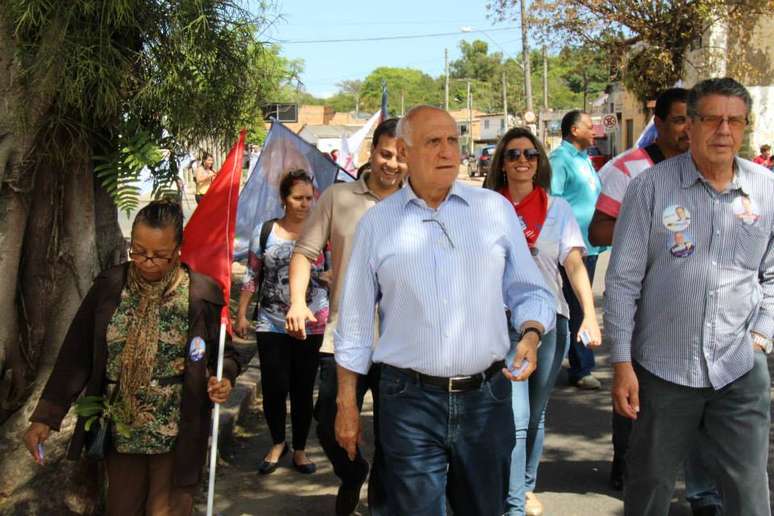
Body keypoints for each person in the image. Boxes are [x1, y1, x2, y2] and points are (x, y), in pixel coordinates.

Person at [334, 106, 556, 516]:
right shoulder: (377, 225)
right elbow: (354, 323)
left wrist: (529, 334)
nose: (447, 151)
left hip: (486, 399)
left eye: (453, 140)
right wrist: (346, 404)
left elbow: (528, 288)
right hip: (409, 402)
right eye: (433, 142)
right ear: (404, 150)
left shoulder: (493, 210)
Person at [606, 77, 773, 516]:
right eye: (712, 119)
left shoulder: (766, 190)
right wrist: (622, 363)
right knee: (649, 487)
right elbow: (623, 282)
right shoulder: (651, 189)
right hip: (663, 371)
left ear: (745, 127)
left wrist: (759, 337)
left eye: (734, 121)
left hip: (739, 367)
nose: (724, 130)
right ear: (692, 126)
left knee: (749, 491)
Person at [22, 200, 240, 516]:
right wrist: (45, 417)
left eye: (160, 255)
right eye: (138, 251)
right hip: (121, 429)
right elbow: (76, 354)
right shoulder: (110, 287)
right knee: (122, 508)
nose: (148, 262)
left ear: (179, 248)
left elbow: (226, 354)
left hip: (178, 429)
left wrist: (226, 378)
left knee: (167, 511)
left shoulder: (200, 294)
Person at [285, 118, 406, 515]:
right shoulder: (338, 197)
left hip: (401, 343)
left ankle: (381, 503)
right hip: (344, 337)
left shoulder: (421, 201)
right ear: (372, 151)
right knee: (329, 423)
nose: (393, 164)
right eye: (386, 153)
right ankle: (354, 474)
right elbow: (304, 252)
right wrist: (298, 301)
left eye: (402, 157)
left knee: (395, 433)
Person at [484, 127, 602, 516]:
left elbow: (573, 263)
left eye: (530, 155)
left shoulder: (557, 209)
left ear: (540, 162)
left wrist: (588, 313)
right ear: (502, 163)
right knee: (515, 417)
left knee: (535, 413)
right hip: (498, 322)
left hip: (551, 321)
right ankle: (512, 502)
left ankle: (526, 483)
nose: (522, 161)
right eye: (514, 154)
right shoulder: (486, 206)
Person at [235, 170, 328, 475]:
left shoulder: (323, 232)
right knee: (275, 386)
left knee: (303, 388)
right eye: (297, 198)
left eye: (309, 198)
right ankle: (277, 443)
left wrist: (330, 277)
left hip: (311, 323)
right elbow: (252, 276)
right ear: (284, 199)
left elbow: (338, 268)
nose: (304, 204)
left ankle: (300, 450)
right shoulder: (265, 232)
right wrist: (242, 314)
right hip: (271, 321)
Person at [549, 110, 605, 390]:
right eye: (588, 126)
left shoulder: (583, 159)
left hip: (589, 244)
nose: (594, 130)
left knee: (580, 306)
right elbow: (552, 200)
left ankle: (577, 362)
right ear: (573, 130)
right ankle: (581, 368)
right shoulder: (560, 160)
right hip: (572, 248)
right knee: (578, 308)